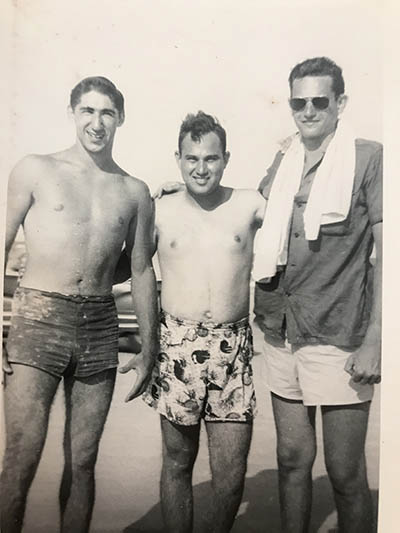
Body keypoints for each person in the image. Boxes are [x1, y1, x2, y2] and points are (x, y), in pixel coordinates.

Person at [1, 76, 158, 533]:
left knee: (84, 462)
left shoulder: (133, 191)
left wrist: (149, 348)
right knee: (21, 458)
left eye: (107, 112)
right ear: (72, 113)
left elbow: (143, 269)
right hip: (38, 317)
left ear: (121, 118)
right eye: (87, 111)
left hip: (99, 325)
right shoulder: (35, 169)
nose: (97, 122)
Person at [253, 57, 382, 533]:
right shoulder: (283, 162)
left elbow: (389, 255)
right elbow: (255, 217)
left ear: (340, 103)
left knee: (346, 475)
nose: (308, 111)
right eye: (298, 101)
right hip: (281, 326)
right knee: (291, 459)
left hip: (341, 330)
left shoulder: (369, 158)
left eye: (319, 101)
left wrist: (376, 339)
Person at [143, 111, 265, 533]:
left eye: (210, 159)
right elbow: (127, 267)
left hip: (234, 348)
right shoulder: (159, 210)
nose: (200, 168)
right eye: (191, 158)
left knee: (230, 477)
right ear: (177, 158)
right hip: (177, 343)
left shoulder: (250, 203)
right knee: (177, 463)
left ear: (226, 158)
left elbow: (292, 208)